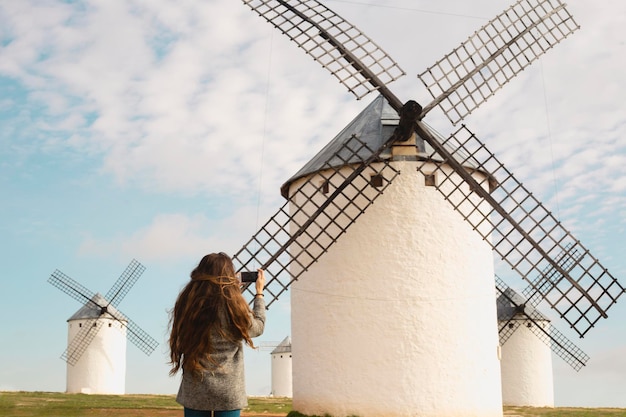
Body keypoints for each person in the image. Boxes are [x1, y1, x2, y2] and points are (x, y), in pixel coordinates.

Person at [168, 252, 266, 417]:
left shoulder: (187, 301)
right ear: (228, 275)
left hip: (195, 387)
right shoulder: (232, 304)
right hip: (228, 389)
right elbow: (257, 328)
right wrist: (258, 294)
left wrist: (231, 292)